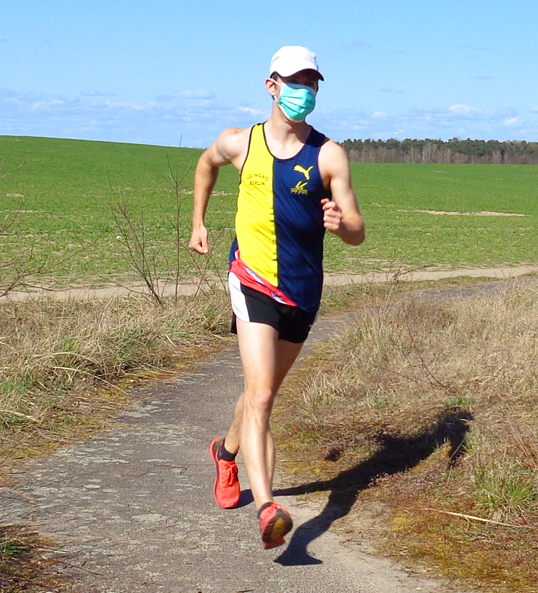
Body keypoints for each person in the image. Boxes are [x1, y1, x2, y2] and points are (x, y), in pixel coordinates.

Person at [190, 46, 365, 549]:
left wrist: (342, 226)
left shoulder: (328, 154)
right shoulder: (240, 143)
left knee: (259, 390)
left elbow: (356, 228)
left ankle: (225, 454)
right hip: (251, 280)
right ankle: (268, 508)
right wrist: (199, 222)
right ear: (272, 86)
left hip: (303, 292)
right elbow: (205, 165)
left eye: (312, 82)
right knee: (263, 394)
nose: (304, 91)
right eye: (295, 81)